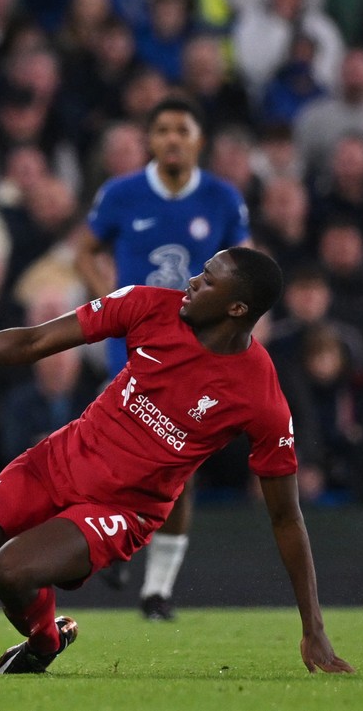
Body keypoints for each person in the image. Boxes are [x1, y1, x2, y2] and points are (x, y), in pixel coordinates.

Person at [0, 247, 355, 677]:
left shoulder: (260, 394)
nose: (192, 281)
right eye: (199, 272)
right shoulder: (147, 305)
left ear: (238, 308)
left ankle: (41, 642)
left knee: (11, 569)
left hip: (124, 508)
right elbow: (39, 339)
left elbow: (286, 517)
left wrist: (314, 627)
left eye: (208, 280)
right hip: (54, 461)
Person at [73, 95, 250, 619]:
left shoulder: (222, 198)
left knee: (181, 466)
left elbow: (246, 264)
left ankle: (157, 591)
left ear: (199, 140)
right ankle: (112, 542)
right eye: (163, 130)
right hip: (133, 348)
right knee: (119, 455)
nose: (173, 139)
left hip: (199, 353)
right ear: (150, 140)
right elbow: (84, 248)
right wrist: (113, 300)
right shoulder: (122, 194)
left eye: (183, 130)